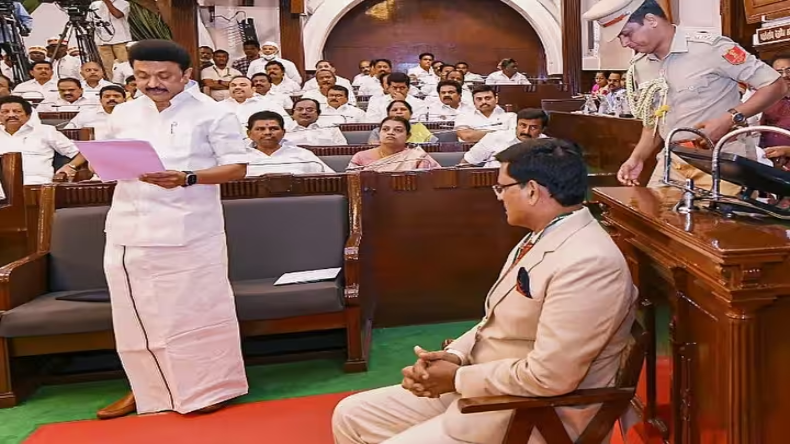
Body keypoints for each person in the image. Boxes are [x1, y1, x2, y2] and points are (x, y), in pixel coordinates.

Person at [333, 138, 637, 444]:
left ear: (531, 190)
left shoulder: (589, 262)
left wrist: (456, 379)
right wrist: (453, 356)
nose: (499, 197)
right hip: (488, 386)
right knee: (351, 415)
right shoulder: (542, 235)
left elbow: (550, 377)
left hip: (531, 412)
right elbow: (494, 322)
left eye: (502, 187)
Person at [95, 39, 250, 420]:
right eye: (143, 76)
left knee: (193, 314)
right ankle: (145, 389)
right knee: (134, 317)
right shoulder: (123, 114)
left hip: (189, 230)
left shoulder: (213, 113)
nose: (153, 83)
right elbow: (108, 161)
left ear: (186, 75)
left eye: (163, 76)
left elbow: (237, 168)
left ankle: (209, 388)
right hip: (128, 228)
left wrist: (187, 177)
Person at [582, 0, 786, 193]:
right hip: (673, 161)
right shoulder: (641, 66)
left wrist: (730, 118)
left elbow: (775, 85)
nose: (625, 43)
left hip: (720, 159)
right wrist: (638, 157)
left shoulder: (711, 48)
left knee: (720, 230)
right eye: (621, 37)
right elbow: (652, 122)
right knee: (654, 223)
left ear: (651, 20)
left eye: (627, 34)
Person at [348, 116, 440, 172]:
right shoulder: (360, 157)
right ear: (379, 133)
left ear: (408, 136)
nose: (390, 132)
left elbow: (431, 182)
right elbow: (352, 184)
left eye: (398, 130)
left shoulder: (418, 157)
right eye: (385, 129)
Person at [367, 100, 436, 144]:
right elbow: (373, 150)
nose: (399, 112)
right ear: (388, 114)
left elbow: (434, 146)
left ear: (411, 114)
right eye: (394, 110)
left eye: (403, 109)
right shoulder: (378, 131)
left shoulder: (420, 128)